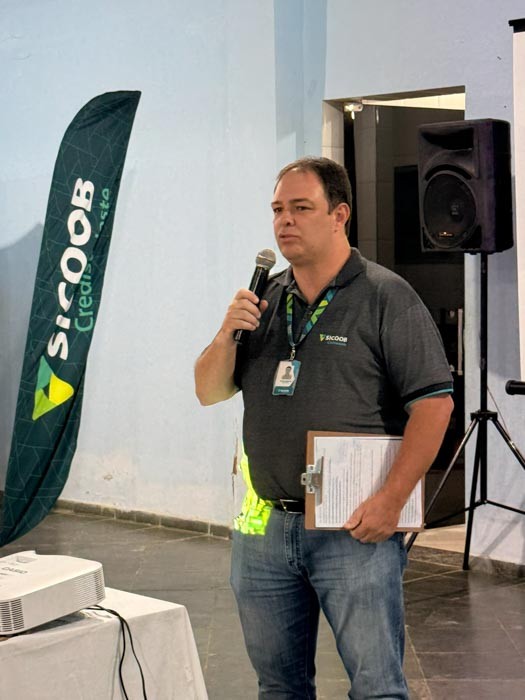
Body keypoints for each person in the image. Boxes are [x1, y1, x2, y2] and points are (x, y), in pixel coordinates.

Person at [194, 157, 454, 699]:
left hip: (353, 529)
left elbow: (434, 406)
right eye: (277, 210)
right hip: (265, 530)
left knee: (377, 688)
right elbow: (209, 391)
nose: (284, 221)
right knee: (278, 687)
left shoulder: (385, 296)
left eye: (301, 208)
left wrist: (392, 501)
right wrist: (226, 333)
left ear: (340, 216)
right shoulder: (262, 301)